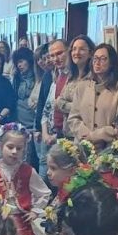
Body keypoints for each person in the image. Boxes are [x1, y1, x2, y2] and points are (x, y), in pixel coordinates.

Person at [67, 43, 118, 144]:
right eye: (95, 59)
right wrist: (85, 134)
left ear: (111, 63)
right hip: (82, 144)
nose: (97, 62)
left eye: (103, 59)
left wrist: (95, 136)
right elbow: (73, 117)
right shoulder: (82, 86)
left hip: (106, 146)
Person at [37, 40, 69, 175]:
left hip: (64, 136)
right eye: (52, 55)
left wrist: (56, 136)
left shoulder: (74, 78)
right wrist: (44, 133)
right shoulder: (55, 76)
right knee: (43, 176)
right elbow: (46, 108)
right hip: (48, 134)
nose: (56, 59)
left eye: (59, 53)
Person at [55, 36, 95, 139]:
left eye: (82, 49)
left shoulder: (92, 78)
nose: (76, 53)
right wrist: (66, 105)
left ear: (90, 53)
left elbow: (86, 109)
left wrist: (63, 105)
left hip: (83, 136)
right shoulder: (71, 76)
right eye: (74, 49)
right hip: (67, 134)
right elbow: (57, 102)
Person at [12, 46, 37, 129]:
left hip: (34, 122)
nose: (19, 65)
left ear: (29, 60)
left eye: (21, 61)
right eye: (17, 63)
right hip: (19, 123)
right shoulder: (17, 78)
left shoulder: (38, 77)